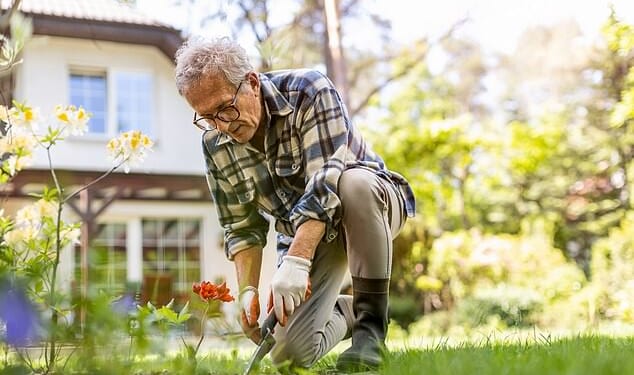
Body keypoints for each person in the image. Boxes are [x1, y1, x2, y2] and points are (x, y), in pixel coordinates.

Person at [174, 36, 415, 372]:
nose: (223, 126)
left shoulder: (308, 89)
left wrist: (298, 260)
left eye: (226, 108)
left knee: (352, 183)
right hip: (306, 237)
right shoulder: (215, 145)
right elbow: (242, 227)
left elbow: (325, 181)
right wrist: (248, 293)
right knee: (290, 356)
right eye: (208, 117)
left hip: (369, 207)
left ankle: (369, 334)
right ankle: (351, 309)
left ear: (252, 83)